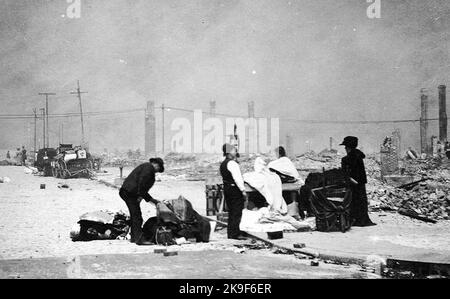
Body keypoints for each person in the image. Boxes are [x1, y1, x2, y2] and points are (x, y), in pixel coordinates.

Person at [119, 158, 165, 245]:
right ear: (155, 164)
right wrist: (150, 199)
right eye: (158, 168)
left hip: (128, 192)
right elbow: (142, 184)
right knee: (137, 216)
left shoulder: (146, 167)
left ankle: (134, 237)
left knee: (135, 215)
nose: (157, 171)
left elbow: (142, 186)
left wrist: (142, 196)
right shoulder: (149, 168)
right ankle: (138, 239)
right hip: (129, 193)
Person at [340, 136, 376, 227]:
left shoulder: (346, 159)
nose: (345, 148)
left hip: (352, 184)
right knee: (362, 201)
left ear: (348, 147)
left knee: (353, 201)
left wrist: (350, 180)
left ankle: (355, 220)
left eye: (345, 147)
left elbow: (345, 173)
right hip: (361, 183)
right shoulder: (359, 156)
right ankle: (362, 220)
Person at [220, 143, 248, 240]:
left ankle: (231, 233)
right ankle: (235, 233)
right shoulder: (232, 163)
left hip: (227, 189)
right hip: (234, 189)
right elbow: (238, 179)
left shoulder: (223, 164)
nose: (236, 152)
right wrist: (243, 190)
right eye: (234, 150)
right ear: (229, 152)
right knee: (237, 211)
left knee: (231, 211)